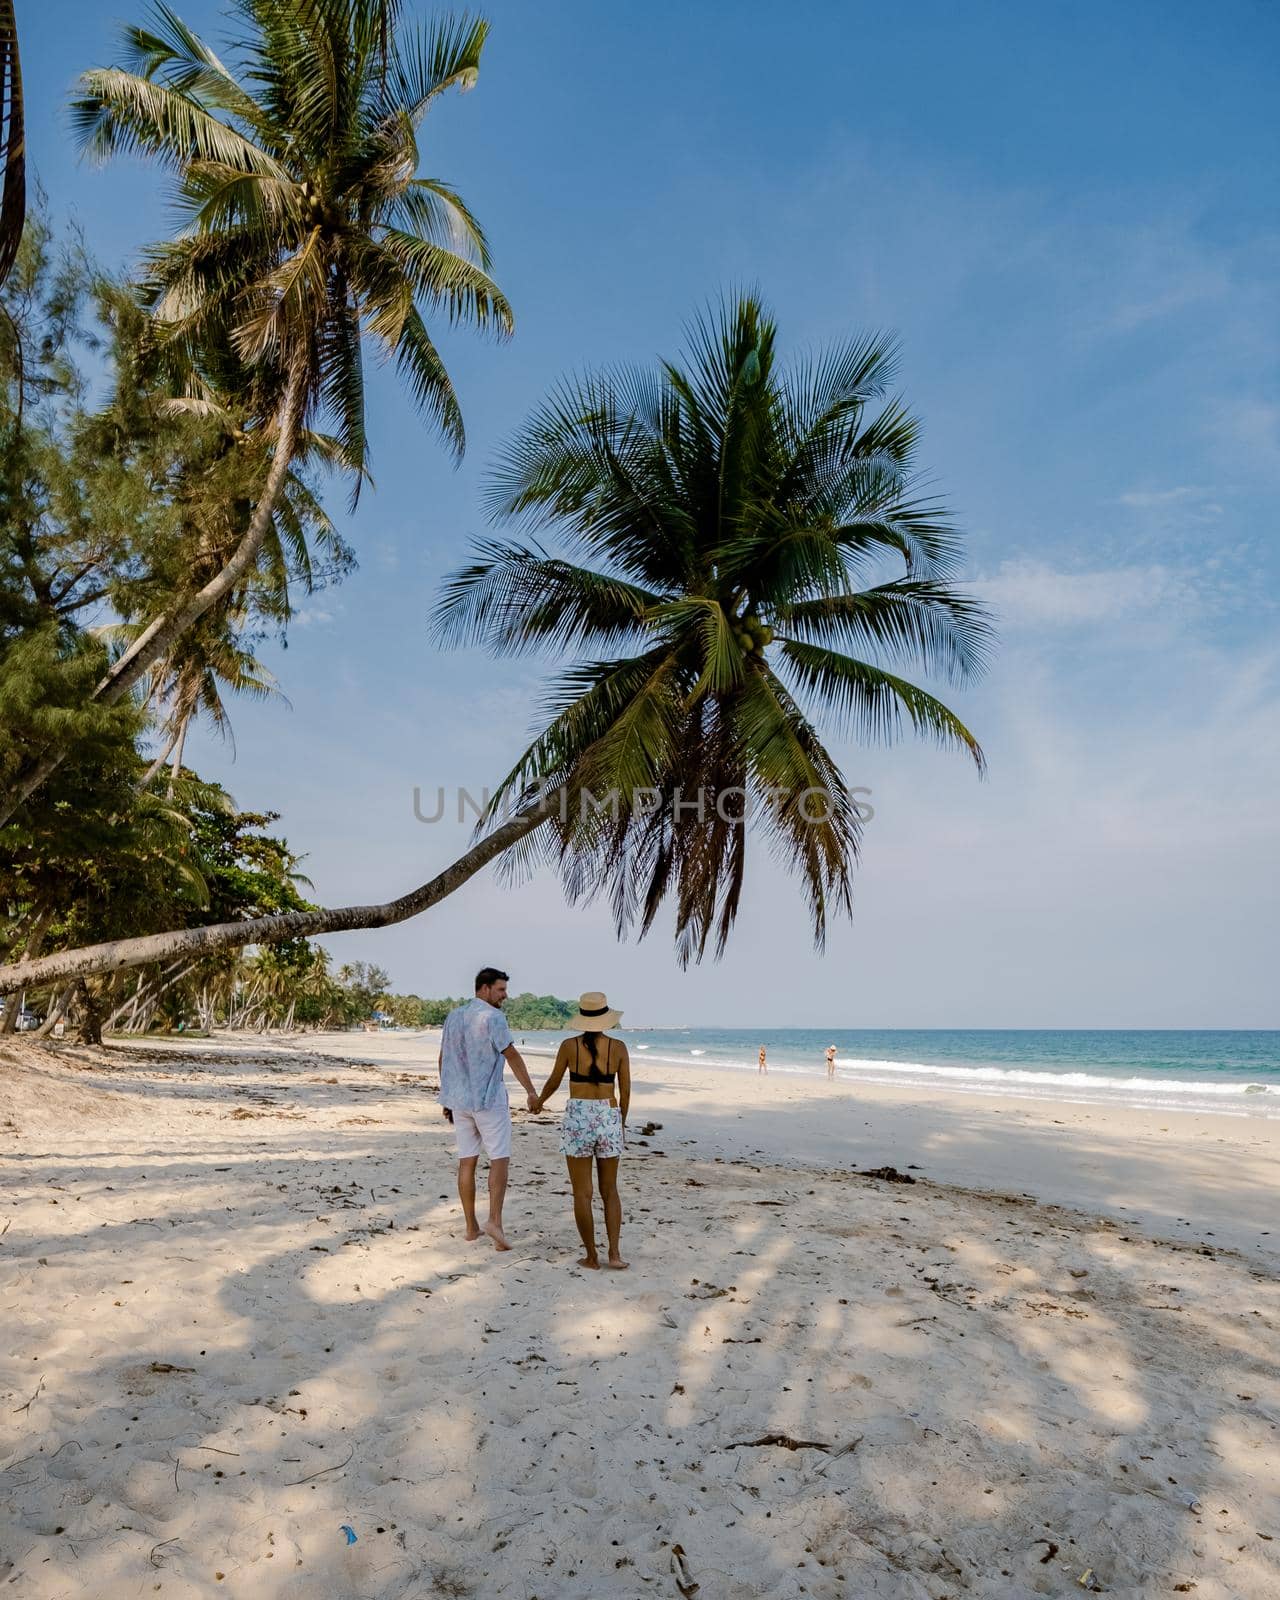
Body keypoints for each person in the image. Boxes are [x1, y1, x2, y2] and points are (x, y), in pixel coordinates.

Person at [437, 967, 539, 1251]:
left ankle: (471, 1227)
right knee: (499, 1159)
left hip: (460, 1101)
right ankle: (494, 1221)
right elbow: (512, 1055)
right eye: (501, 990)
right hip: (489, 1101)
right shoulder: (494, 1018)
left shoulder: (454, 1016)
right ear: (484, 988)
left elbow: (444, 1058)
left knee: (467, 1161)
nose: (505, 995)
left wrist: (448, 1097)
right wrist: (531, 1092)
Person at [534, 990, 630, 1270]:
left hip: (578, 1114)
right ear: (606, 1019)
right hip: (608, 1113)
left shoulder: (568, 1047)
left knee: (582, 1193)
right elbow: (625, 1091)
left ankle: (591, 1256)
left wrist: (539, 1102)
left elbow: (553, 1081)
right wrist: (619, 1123)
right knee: (610, 1190)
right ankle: (614, 1253)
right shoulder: (619, 1048)